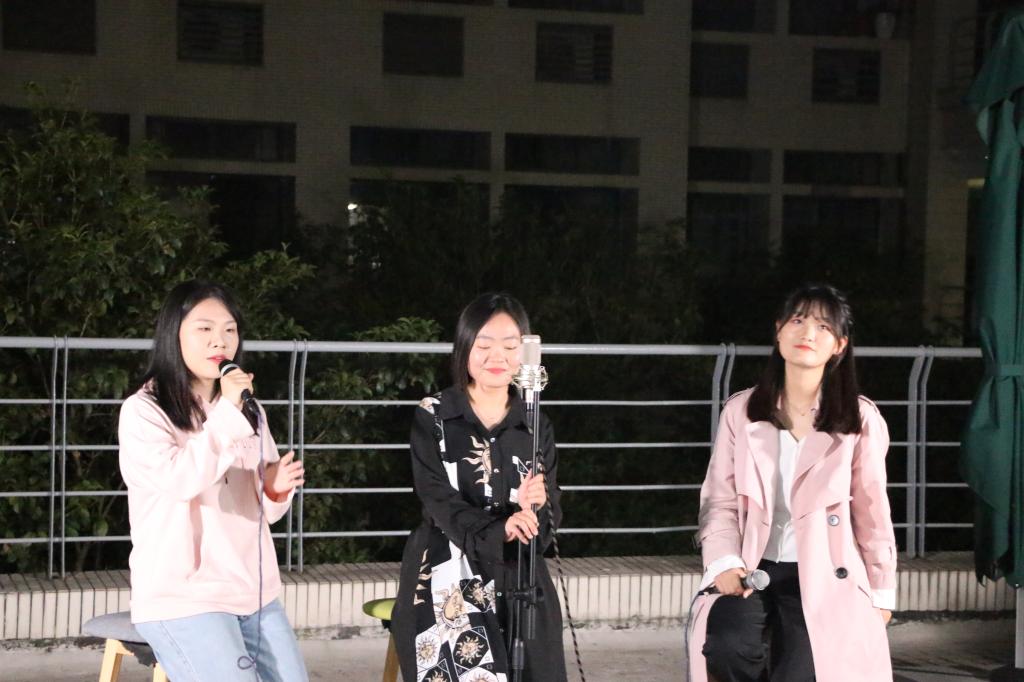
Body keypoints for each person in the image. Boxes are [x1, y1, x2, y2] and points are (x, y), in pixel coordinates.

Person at [687, 284, 897, 682]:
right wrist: (725, 562)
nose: (808, 334)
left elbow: (872, 513)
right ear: (779, 330)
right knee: (726, 645)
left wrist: (881, 592)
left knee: (804, 670)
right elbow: (719, 499)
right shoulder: (741, 411)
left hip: (826, 574)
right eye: (798, 321)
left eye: (823, 326)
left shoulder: (860, 420)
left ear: (840, 345)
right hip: (752, 568)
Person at [118, 280, 308, 681]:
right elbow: (179, 481)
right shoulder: (144, 411)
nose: (219, 340)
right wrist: (228, 414)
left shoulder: (248, 410)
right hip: (184, 597)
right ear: (174, 334)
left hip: (253, 592)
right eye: (204, 328)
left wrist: (274, 488)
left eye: (229, 329)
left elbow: (265, 512)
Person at [392, 293, 567, 682]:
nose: (497, 356)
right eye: (484, 345)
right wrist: (499, 528)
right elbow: (437, 499)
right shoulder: (434, 414)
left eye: (510, 346)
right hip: (446, 562)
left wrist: (537, 508)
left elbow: (548, 524)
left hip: (519, 570)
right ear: (465, 348)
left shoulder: (535, 422)